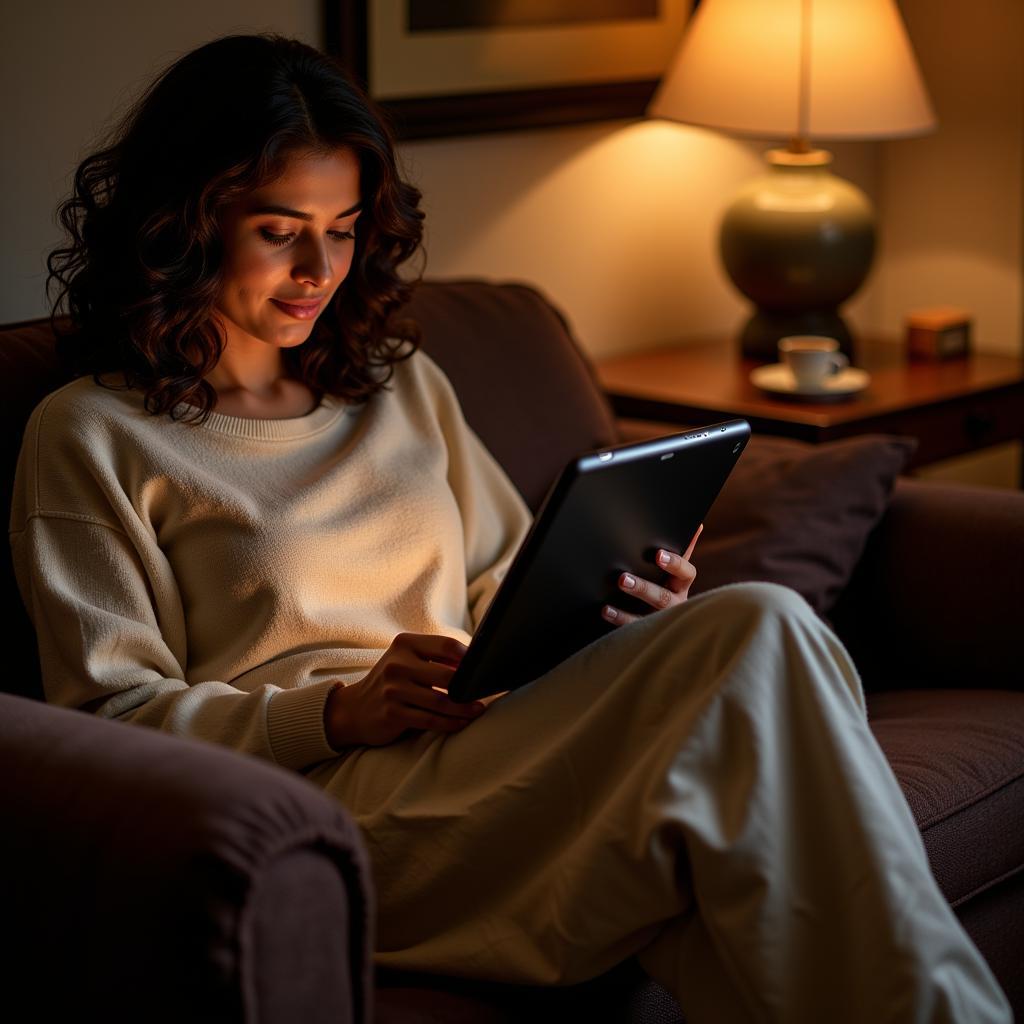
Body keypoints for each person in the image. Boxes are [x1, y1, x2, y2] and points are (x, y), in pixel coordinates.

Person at [9, 33, 1010, 1024]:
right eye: (279, 231)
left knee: (746, 672)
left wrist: (614, 610)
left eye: (346, 229)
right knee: (759, 642)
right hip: (334, 807)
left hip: (488, 748)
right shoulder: (92, 434)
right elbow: (108, 720)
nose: (320, 268)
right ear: (183, 224)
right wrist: (337, 711)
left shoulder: (397, 383)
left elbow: (502, 584)